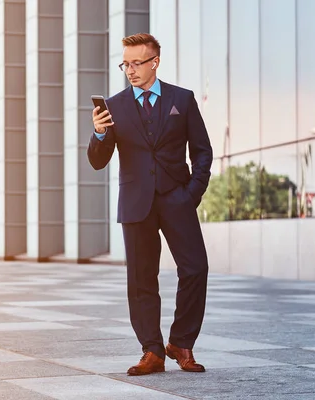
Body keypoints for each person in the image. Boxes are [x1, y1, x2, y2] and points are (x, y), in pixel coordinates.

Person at [87, 33, 213, 376]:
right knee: (142, 278)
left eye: (136, 63)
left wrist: (192, 193)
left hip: (177, 197)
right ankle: (152, 351)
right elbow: (98, 161)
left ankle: (181, 342)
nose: (130, 70)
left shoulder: (182, 100)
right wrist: (99, 134)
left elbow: (202, 151)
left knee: (195, 268)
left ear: (154, 62)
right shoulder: (113, 106)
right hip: (135, 201)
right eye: (125, 63)